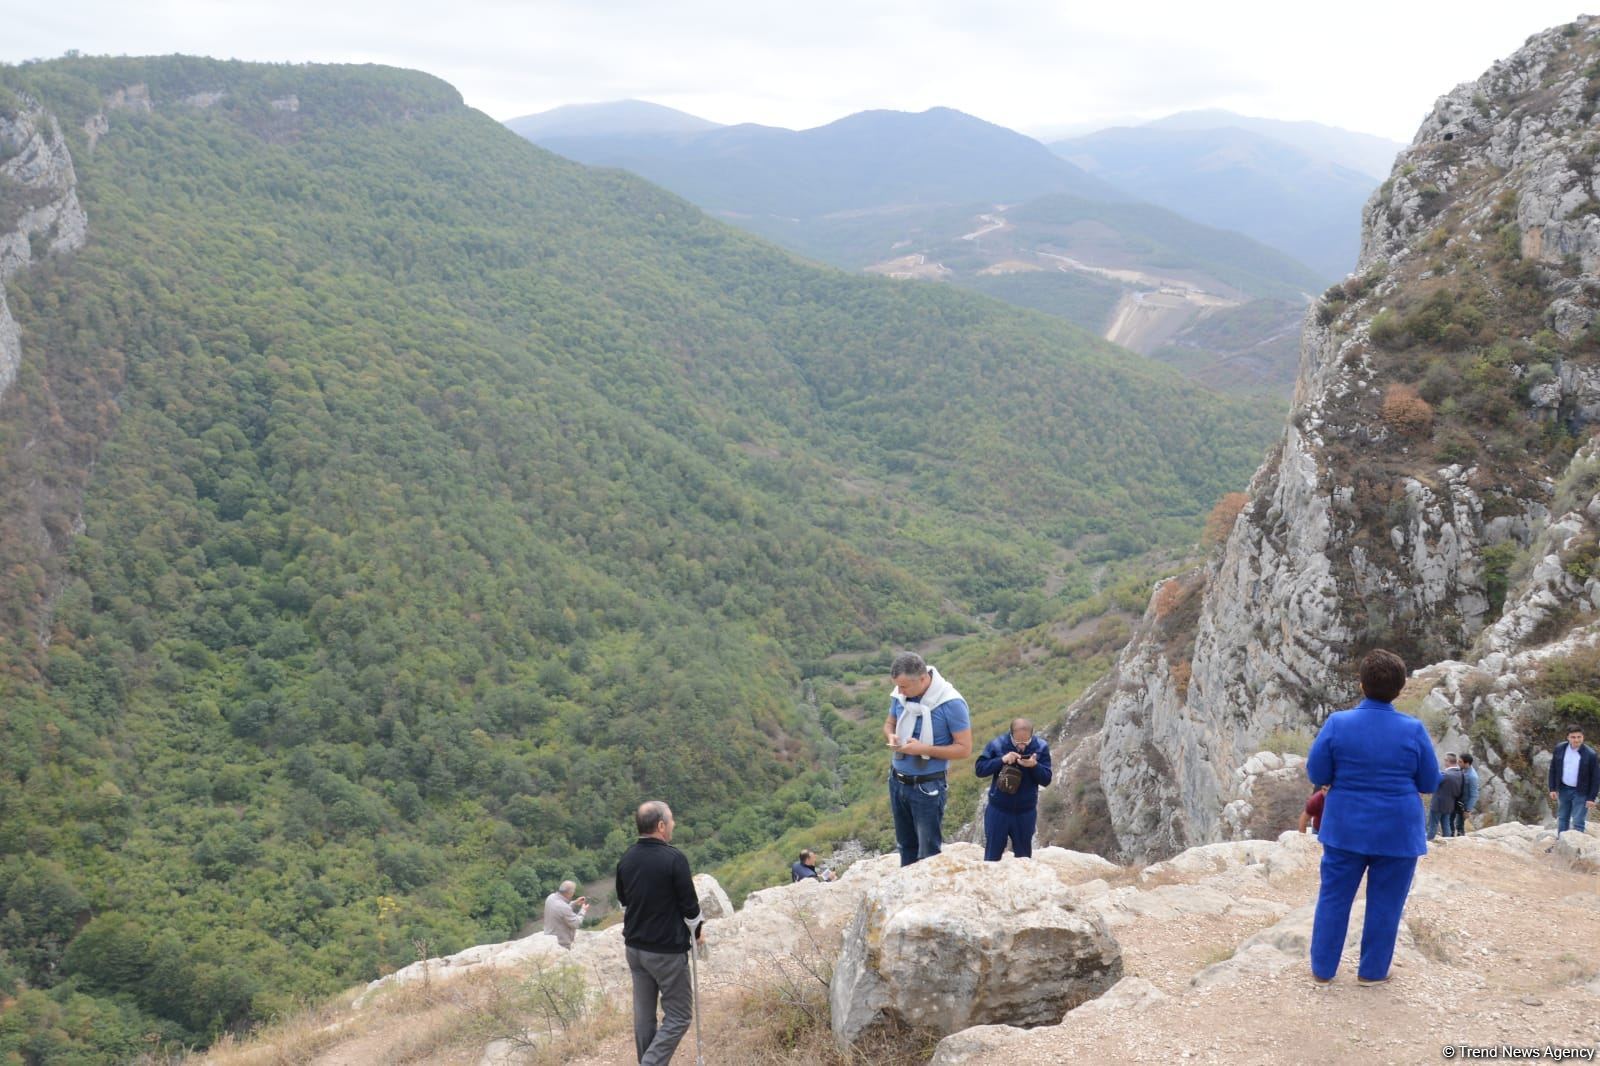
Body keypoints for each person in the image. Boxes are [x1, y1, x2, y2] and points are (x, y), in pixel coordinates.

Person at [1306, 649, 1441, 986]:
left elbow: (1317, 771)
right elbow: (1428, 781)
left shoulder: (1338, 723)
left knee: (1334, 899)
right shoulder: (1413, 729)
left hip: (1345, 829)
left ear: (1361, 685)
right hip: (1398, 831)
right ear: (1401, 688)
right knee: (1386, 904)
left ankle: (1323, 971)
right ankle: (1372, 972)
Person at [616, 800, 703, 1066]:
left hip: (635, 949)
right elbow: (690, 908)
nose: (674, 824)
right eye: (672, 820)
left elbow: (624, 902)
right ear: (661, 825)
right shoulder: (674, 859)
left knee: (644, 1016)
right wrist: (698, 932)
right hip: (665, 951)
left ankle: (648, 1060)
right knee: (679, 1015)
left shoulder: (626, 859)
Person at [882, 652, 972, 866]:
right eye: (898, 686)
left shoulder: (951, 703)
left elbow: (964, 749)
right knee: (905, 845)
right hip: (897, 781)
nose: (900, 691)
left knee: (928, 851)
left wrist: (925, 749)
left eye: (904, 686)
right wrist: (891, 736)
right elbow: (889, 723)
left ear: (923, 679)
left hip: (927, 786)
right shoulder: (900, 696)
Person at [975, 717, 1052, 860]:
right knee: (992, 856)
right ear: (1010, 735)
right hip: (998, 810)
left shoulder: (1041, 747)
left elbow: (1046, 779)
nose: (1021, 746)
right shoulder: (997, 745)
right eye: (1017, 742)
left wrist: (1034, 766)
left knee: (1023, 858)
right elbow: (980, 770)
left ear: (1032, 735)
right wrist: (1001, 760)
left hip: (1025, 812)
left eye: (1026, 742)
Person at [1547, 725, 1599, 834]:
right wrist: (1552, 788)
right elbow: (1553, 769)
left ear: (1583, 737)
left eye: (1579, 737)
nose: (1576, 740)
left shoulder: (1590, 754)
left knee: (1578, 820)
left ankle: (1576, 846)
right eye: (1573, 737)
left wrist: (1591, 798)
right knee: (1562, 817)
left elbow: (1595, 778)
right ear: (1568, 737)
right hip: (1564, 788)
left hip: (1581, 791)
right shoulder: (1560, 748)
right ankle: (1560, 842)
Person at [1427, 753, 1464, 841]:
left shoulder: (1445, 774)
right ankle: (1448, 842)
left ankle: (1429, 842)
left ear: (1448, 761)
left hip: (1438, 803)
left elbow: (1432, 784)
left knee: (1433, 825)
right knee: (1446, 824)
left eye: (1445, 760)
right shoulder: (1460, 774)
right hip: (1450, 804)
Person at [542, 880, 587, 949]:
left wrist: (575, 902)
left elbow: (561, 911)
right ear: (570, 893)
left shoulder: (550, 897)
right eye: (573, 891)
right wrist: (583, 910)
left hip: (549, 938)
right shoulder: (563, 907)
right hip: (561, 943)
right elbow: (576, 923)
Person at [1453, 753, 1480, 836]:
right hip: (1455, 801)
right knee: (1451, 822)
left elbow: (1474, 795)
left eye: (1460, 762)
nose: (1458, 763)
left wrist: (1468, 810)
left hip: (1463, 805)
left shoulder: (1472, 777)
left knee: (1459, 826)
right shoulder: (1461, 769)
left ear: (1467, 763)